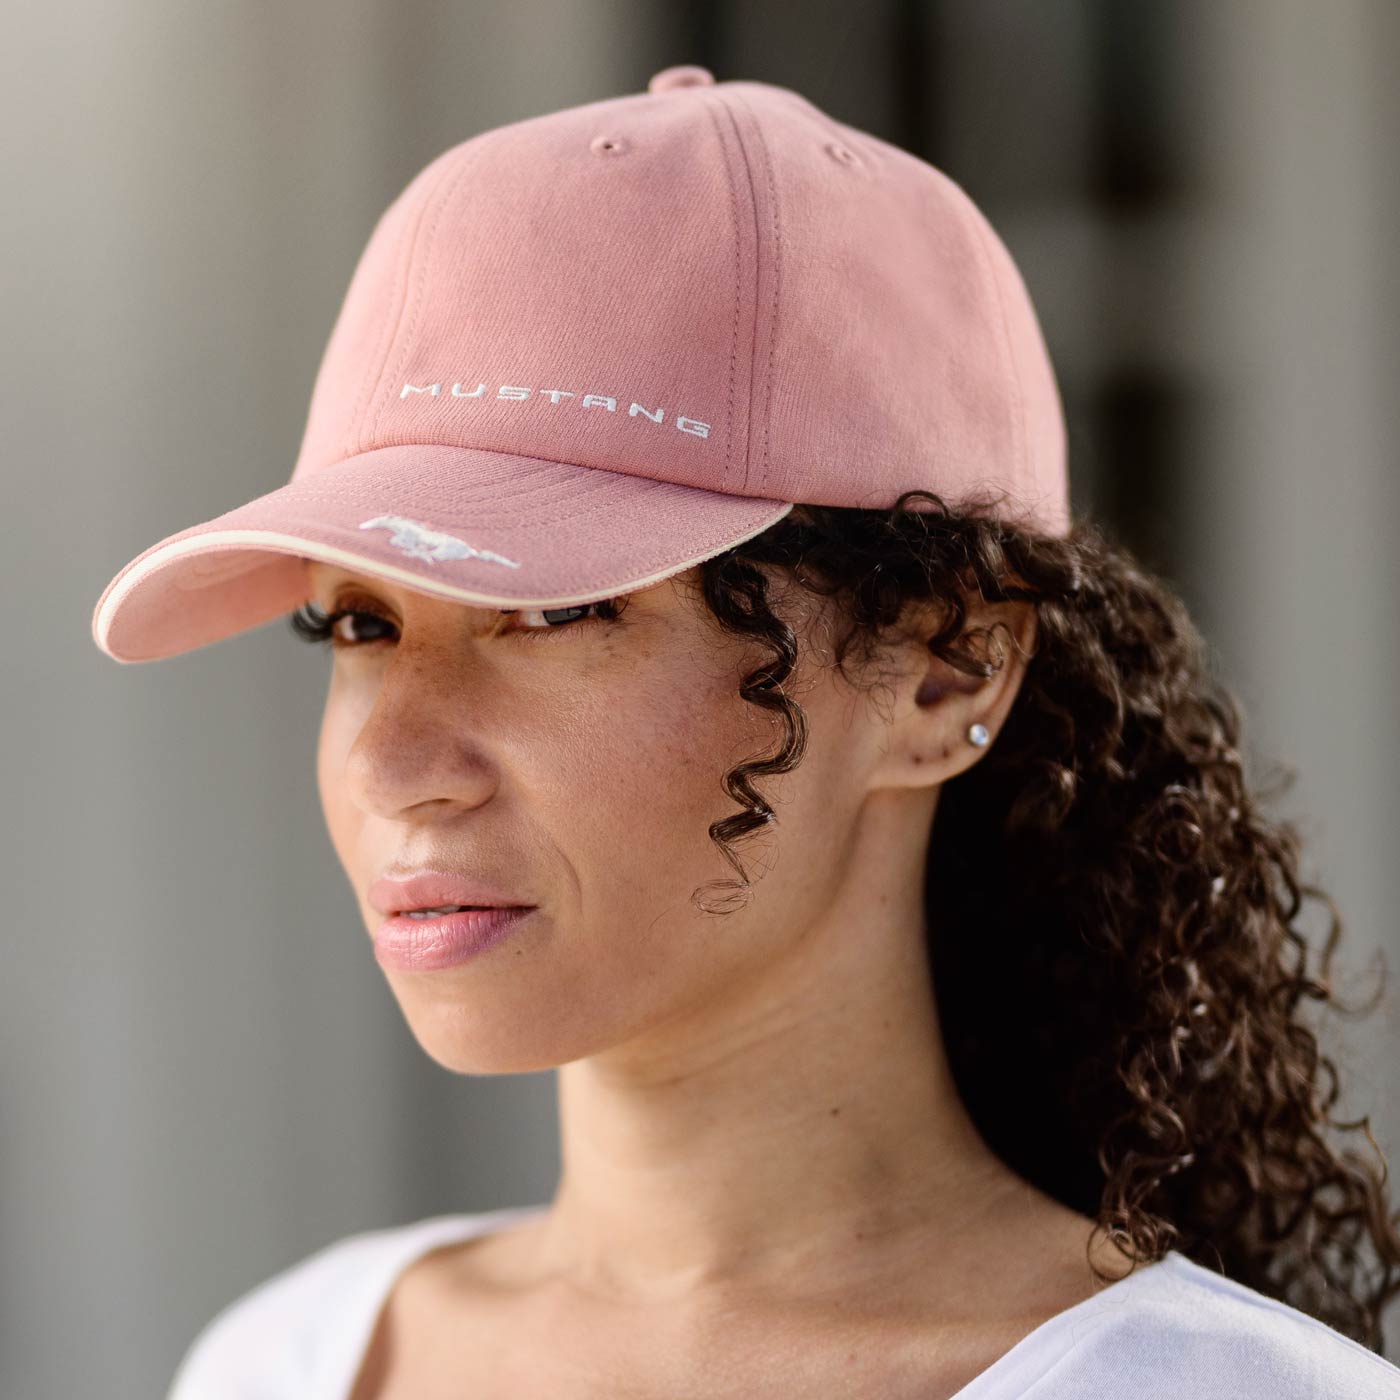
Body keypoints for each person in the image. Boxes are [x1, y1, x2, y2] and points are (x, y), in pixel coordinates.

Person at [91, 65, 1400, 1400]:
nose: (392, 765)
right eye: (359, 625)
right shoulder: (284, 1364)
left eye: (553, 611)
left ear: (947, 669)